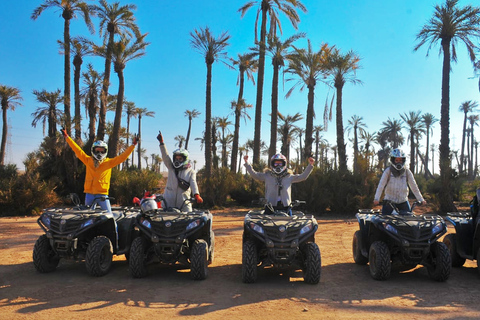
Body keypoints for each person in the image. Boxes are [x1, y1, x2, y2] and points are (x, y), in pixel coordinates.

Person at [61, 129, 138, 213]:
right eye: (97, 151)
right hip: (89, 194)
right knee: (87, 216)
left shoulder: (109, 162)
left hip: (102, 194)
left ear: (105, 151)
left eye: (102, 151)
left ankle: (114, 226)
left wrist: (133, 145)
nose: (99, 153)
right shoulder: (88, 160)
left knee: (109, 216)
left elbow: (122, 157)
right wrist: (67, 137)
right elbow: (77, 150)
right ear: (93, 150)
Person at [243, 153, 314, 214]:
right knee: (268, 225)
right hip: (270, 205)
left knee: (288, 224)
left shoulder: (289, 176)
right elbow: (255, 175)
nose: (278, 165)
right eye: (276, 163)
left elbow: (303, 177)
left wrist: (310, 165)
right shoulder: (267, 175)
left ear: (284, 164)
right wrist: (247, 163)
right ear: (272, 164)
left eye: (280, 163)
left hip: (286, 206)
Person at [157, 131, 203, 212]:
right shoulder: (171, 167)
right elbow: (165, 156)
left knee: (188, 222)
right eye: (176, 158)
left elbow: (193, 183)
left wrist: (197, 195)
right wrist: (162, 143)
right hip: (168, 203)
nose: (178, 160)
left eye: (180, 159)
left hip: (184, 204)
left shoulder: (190, 172)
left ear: (185, 159)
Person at [373, 148, 425, 214]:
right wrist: (376, 199)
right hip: (389, 202)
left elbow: (414, 186)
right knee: (384, 221)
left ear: (403, 160)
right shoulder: (388, 171)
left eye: (400, 160)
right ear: (393, 160)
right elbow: (381, 186)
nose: (398, 162)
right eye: (397, 160)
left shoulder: (407, 172)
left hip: (403, 202)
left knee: (408, 221)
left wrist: (421, 199)